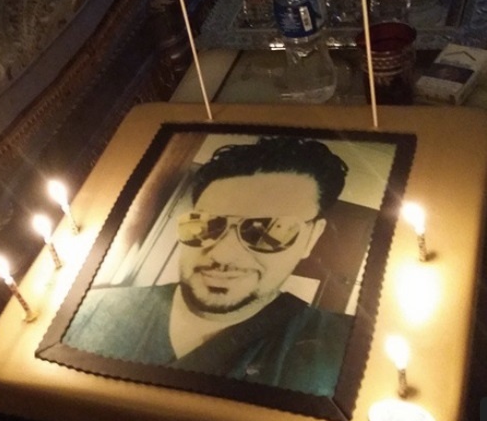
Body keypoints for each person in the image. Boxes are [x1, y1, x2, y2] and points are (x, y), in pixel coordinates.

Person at [63, 136, 352, 396]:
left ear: (311, 238)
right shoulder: (89, 312)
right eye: (208, 224)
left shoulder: (344, 349)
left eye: (269, 229)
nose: (223, 254)